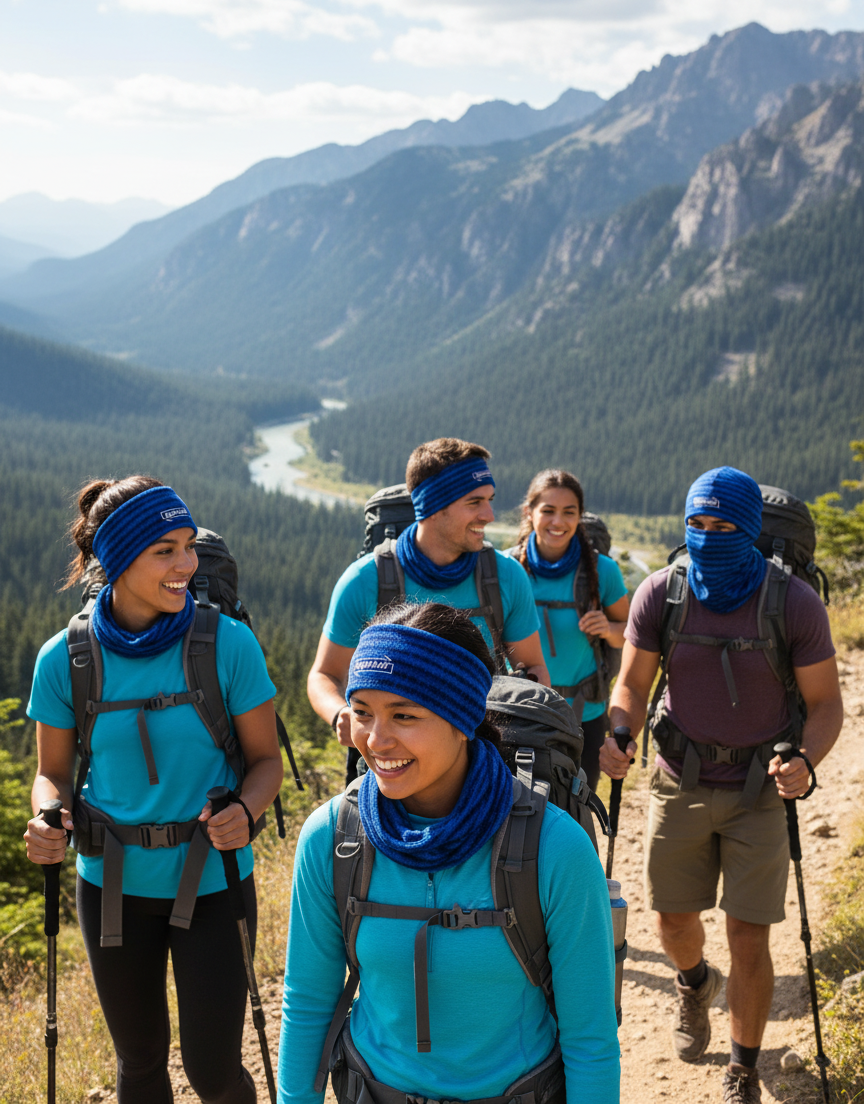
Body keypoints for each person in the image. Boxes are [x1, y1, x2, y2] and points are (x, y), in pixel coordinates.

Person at [280, 601, 620, 1104]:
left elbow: (590, 1039)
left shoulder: (555, 848)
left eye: (404, 715)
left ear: (463, 718)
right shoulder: (332, 838)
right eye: (362, 711)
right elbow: (308, 1003)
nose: (375, 740)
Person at [24, 476, 284, 1104]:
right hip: (110, 885)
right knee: (139, 1062)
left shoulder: (227, 644)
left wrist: (245, 811)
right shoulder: (66, 659)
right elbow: (52, 773)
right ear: (115, 560)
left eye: (189, 546)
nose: (186, 565)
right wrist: (47, 815)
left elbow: (265, 761)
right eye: (164, 550)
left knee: (212, 1071)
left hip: (216, 882)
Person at [599, 466, 843, 1104]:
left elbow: (825, 705)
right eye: (696, 525)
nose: (707, 538)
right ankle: (692, 983)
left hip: (763, 789)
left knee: (748, 933)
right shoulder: (662, 593)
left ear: (752, 530)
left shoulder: (794, 603)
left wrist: (806, 763)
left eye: (724, 526)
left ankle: (743, 1068)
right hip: (679, 778)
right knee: (673, 920)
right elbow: (629, 685)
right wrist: (620, 731)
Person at [308, 438, 549, 768]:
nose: (489, 515)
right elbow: (324, 674)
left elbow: (533, 668)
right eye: (475, 502)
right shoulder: (365, 580)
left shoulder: (506, 577)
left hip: (484, 757)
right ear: (434, 506)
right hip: (387, 758)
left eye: (490, 500)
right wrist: (341, 713)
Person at [513, 469, 629, 790]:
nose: (558, 522)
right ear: (529, 512)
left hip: (584, 713)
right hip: (520, 710)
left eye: (569, 512)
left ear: (580, 516)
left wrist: (607, 628)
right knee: (518, 810)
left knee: (577, 806)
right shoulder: (509, 570)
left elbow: (630, 633)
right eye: (547, 510)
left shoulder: (603, 572)